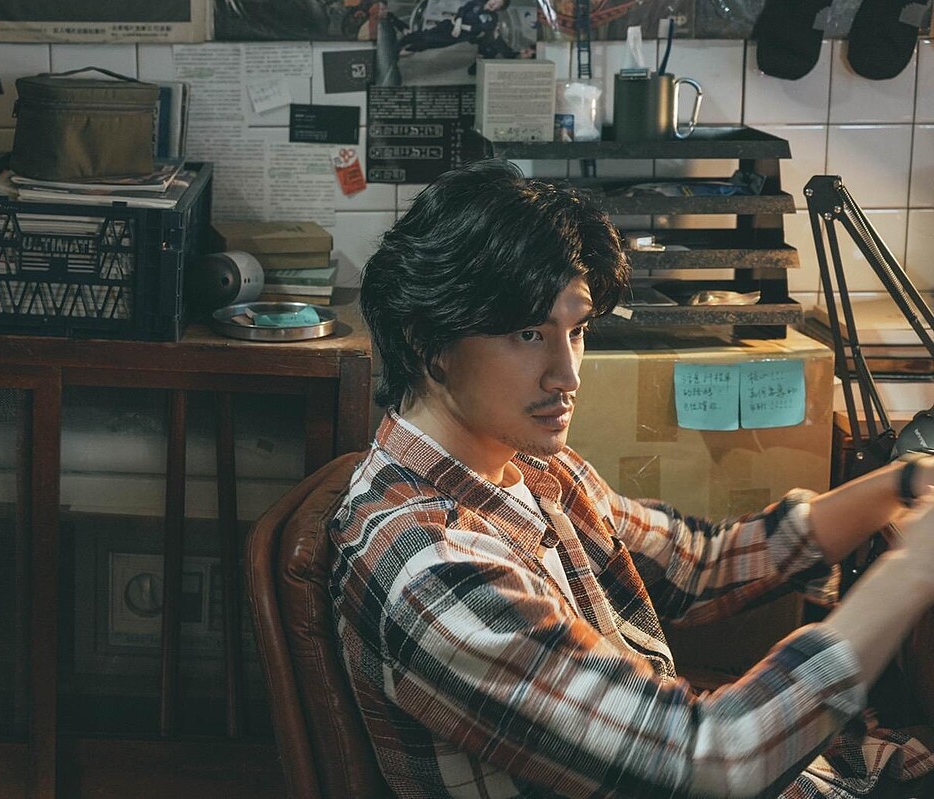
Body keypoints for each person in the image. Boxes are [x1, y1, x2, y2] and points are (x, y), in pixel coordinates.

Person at [330, 158, 934, 798]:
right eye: (530, 334)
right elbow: (713, 762)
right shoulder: (429, 564)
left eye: (577, 331)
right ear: (429, 343)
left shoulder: (531, 469)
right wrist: (911, 572)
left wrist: (897, 487)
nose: (568, 375)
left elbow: (699, 564)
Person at [397, 0, 529, 59]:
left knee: (429, 41)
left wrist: (459, 25)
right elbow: (462, 10)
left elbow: (476, 29)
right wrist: (457, 22)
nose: (493, 4)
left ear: (498, 9)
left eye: (497, 5)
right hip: (448, 25)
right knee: (423, 34)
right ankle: (399, 45)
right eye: (495, 0)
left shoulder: (491, 18)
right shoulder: (477, 2)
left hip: (457, 35)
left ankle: (406, 51)